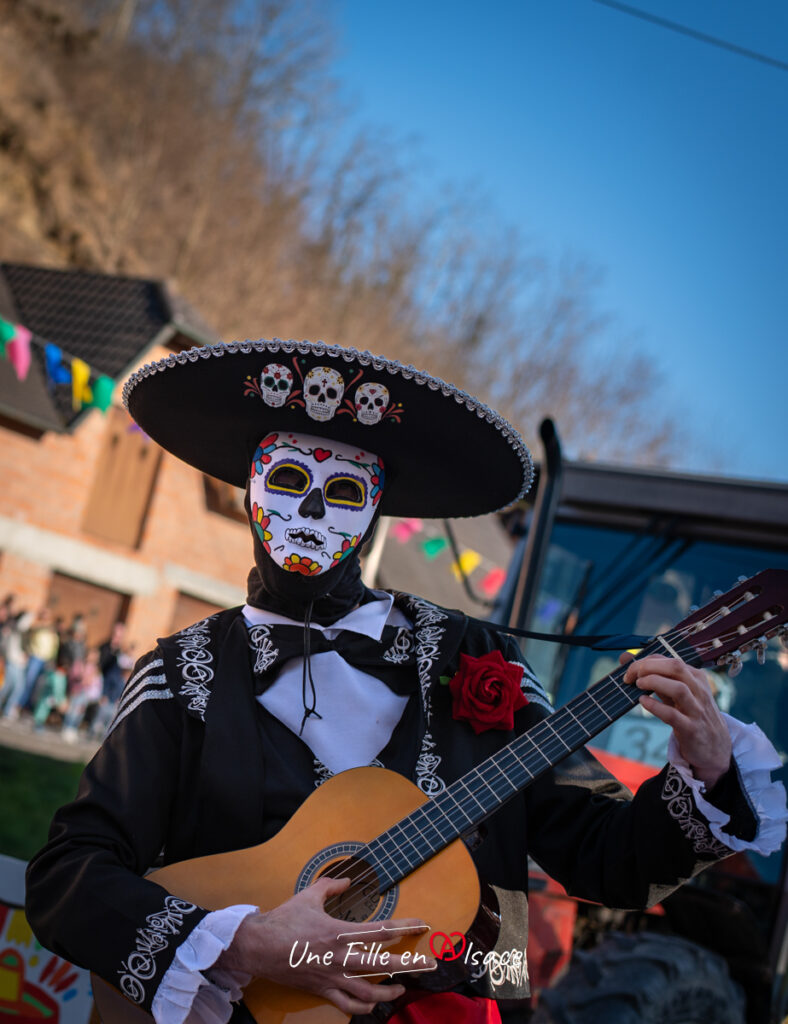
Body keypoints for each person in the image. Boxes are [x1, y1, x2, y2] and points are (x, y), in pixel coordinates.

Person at [25, 340, 787, 1024]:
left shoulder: (475, 655)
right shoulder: (180, 671)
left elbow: (605, 855)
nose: (312, 509)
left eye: (344, 491)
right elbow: (68, 874)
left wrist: (708, 776)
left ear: (375, 509)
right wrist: (247, 944)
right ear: (250, 492)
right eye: (287, 478)